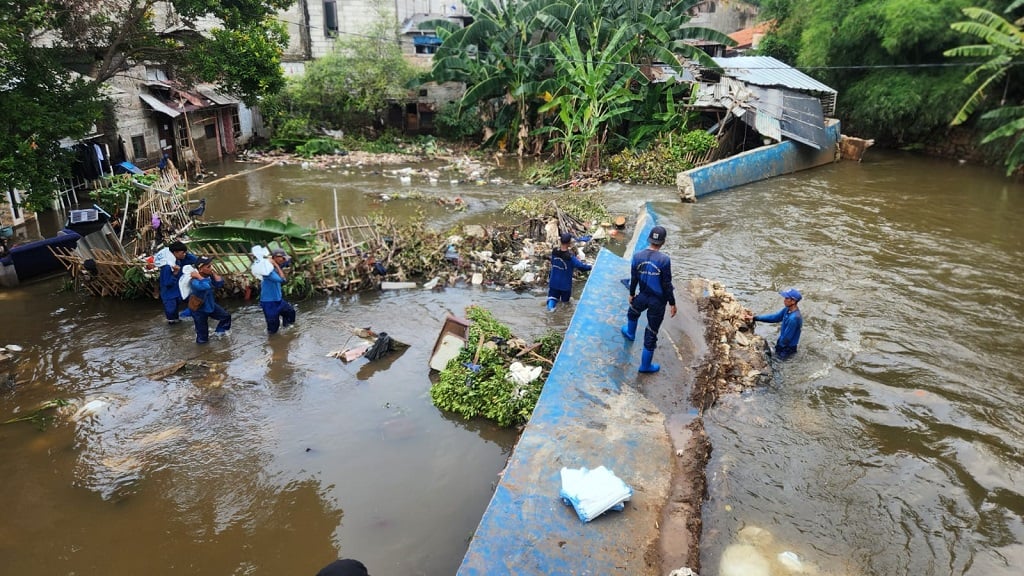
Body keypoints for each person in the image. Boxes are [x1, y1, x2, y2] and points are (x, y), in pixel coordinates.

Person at [621, 225, 677, 373]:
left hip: (643, 295)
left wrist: (632, 293)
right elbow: (666, 284)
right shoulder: (664, 260)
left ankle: (630, 333)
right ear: (663, 242)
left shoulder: (638, 256)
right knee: (651, 332)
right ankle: (645, 366)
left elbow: (634, 278)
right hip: (658, 301)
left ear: (649, 239)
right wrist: (672, 303)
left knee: (633, 311)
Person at [746, 288, 803, 360]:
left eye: (786, 298)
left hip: (787, 349)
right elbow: (774, 317)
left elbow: (786, 338)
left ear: (793, 301)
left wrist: (777, 349)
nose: (784, 300)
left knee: (777, 363)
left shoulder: (794, 318)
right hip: (783, 344)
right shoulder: (787, 310)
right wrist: (755, 318)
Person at [188, 256, 232, 344]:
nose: (211, 268)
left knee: (226, 317)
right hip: (199, 309)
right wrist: (198, 276)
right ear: (200, 270)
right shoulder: (194, 281)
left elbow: (219, 284)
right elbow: (205, 286)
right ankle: (203, 353)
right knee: (202, 336)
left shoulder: (208, 276)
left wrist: (213, 274)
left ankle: (219, 333)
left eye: (210, 266)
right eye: (208, 267)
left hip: (210, 305)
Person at [546, 232, 592, 311]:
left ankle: (550, 311)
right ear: (569, 243)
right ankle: (562, 317)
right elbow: (581, 266)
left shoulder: (554, 252)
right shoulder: (570, 257)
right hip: (565, 285)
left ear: (560, 241)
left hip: (553, 282)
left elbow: (553, 262)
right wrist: (590, 267)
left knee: (552, 299)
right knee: (565, 304)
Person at [159, 241, 197, 324]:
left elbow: (195, 261)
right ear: (175, 253)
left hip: (178, 292)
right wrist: (175, 274)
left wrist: (186, 254)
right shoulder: (167, 266)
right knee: (172, 317)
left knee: (195, 303)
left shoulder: (179, 261)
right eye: (182, 253)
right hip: (169, 295)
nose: (184, 254)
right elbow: (167, 283)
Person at [259, 248, 297, 334]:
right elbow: (282, 280)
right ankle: (273, 341)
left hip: (278, 300)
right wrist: (276, 265)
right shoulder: (267, 271)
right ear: (276, 257)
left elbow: (289, 259)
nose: (283, 260)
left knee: (290, 312)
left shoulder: (276, 264)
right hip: (269, 302)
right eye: (282, 258)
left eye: (283, 258)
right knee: (273, 328)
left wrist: (274, 261)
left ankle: (287, 331)